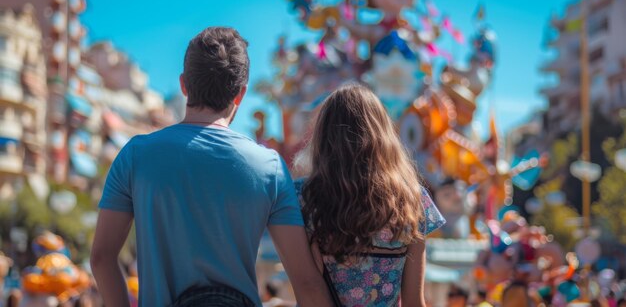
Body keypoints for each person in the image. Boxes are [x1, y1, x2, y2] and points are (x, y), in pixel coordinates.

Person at [91, 27, 334, 307]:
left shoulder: (136, 155)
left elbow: (101, 257)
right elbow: (305, 281)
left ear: (184, 85)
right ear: (240, 95)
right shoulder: (269, 167)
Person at [295, 84, 446, 306]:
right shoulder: (413, 199)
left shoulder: (302, 197)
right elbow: (414, 301)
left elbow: (308, 289)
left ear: (324, 135)